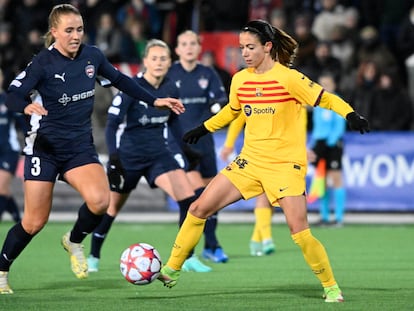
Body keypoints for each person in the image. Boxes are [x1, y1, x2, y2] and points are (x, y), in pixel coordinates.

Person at [157, 20, 370, 303]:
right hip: (250, 162)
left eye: (250, 47)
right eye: (241, 47)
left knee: (300, 231)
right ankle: (172, 268)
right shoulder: (240, 79)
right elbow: (232, 111)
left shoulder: (289, 78)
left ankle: (331, 286)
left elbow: (326, 98)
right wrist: (204, 127)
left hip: (284, 165)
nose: (244, 53)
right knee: (198, 207)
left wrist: (351, 114)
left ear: (267, 47)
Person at [0, 4, 184, 295]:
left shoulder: (92, 56)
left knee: (100, 201)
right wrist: (24, 105)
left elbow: (122, 81)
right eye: (69, 30)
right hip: (44, 148)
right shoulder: (43, 64)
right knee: (34, 222)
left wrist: (154, 100)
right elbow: (12, 95)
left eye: (80, 29)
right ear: (54, 32)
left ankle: (73, 240)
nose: (76, 35)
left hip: (78, 148)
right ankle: (1, 271)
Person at [86, 39, 211, 273]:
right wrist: (114, 158)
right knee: (111, 209)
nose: (159, 63)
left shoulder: (171, 88)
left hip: (159, 155)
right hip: (130, 157)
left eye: (163, 58)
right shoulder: (132, 88)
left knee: (188, 200)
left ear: (169, 62)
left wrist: (185, 149)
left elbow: (173, 120)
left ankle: (187, 257)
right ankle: (93, 255)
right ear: (145, 62)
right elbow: (112, 125)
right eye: (154, 58)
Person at [166, 30, 229, 263]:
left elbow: (221, 100)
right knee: (195, 196)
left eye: (193, 43)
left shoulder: (207, 73)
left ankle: (211, 245)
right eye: (184, 43)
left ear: (199, 48)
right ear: (177, 49)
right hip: (179, 144)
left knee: (211, 197)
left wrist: (215, 108)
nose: (189, 47)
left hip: (204, 141)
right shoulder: (170, 73)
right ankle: (188, 251)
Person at [219, 114, 275, 256]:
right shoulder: (255, 94)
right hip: (258, 150)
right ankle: (267, 239)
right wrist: (229, 144)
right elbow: (239, 118)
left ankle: (256, 238)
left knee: (274, 198)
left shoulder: (285, 96)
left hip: (280, 150)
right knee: (264, 193)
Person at [309, 72, 347, 227]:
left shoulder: (336, 101)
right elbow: (317, 126)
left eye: (327, 84)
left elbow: (340, 124)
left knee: (336, 178)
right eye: (321, 84)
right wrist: (314, 144)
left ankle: (339, 218)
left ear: (334, 85)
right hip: (319, 143)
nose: (324, 87)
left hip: (332, 144)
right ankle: (324, 216)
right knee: (321, 180)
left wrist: (331, 141)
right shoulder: (317, 103)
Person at [0, 69, 24, 224]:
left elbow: (23, 123)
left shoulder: (7, 100)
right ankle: (18, 220)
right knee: (4, 190)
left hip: (8, 150)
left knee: (1, 188)